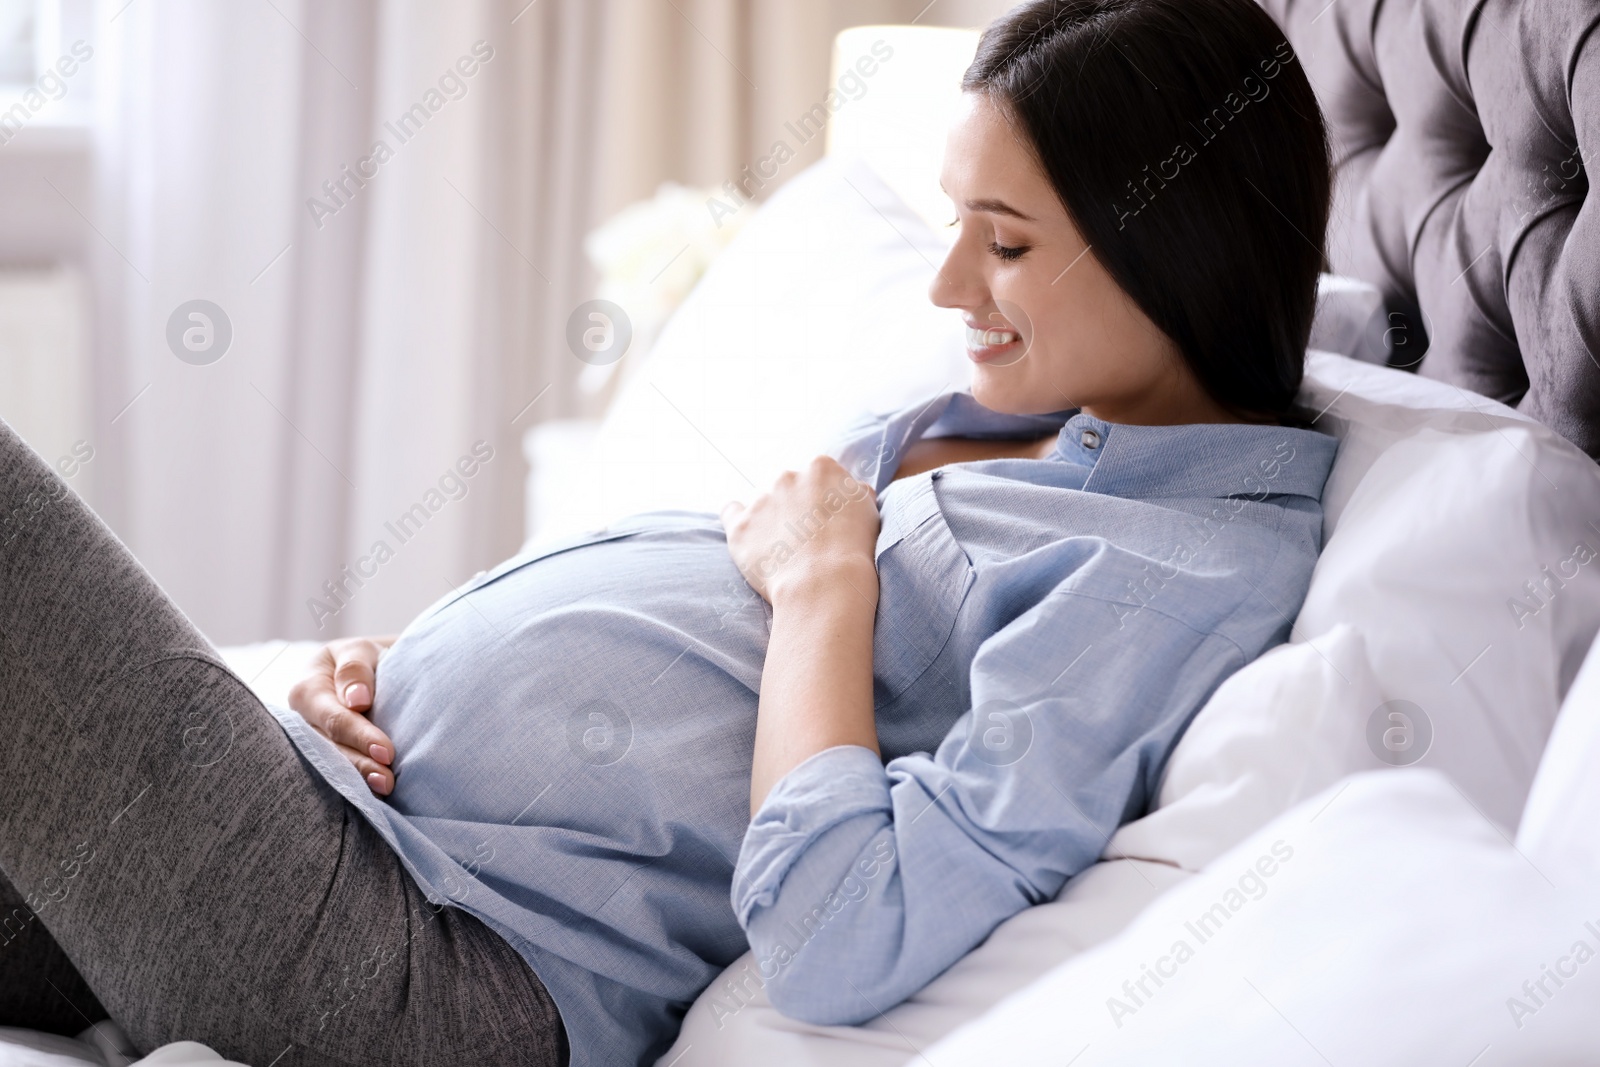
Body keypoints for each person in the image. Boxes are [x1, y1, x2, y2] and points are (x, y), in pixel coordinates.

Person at [0, 1, 1337, 1064]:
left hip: (426, 966)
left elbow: (842, 935)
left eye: (1001, 243)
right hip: (359, 814)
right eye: (952, 226)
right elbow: (682, 649)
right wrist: (383, 671)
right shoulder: (1031, 409)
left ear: (1174, 248)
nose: (944, 286)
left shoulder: (1164, 578)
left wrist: (824, 586)